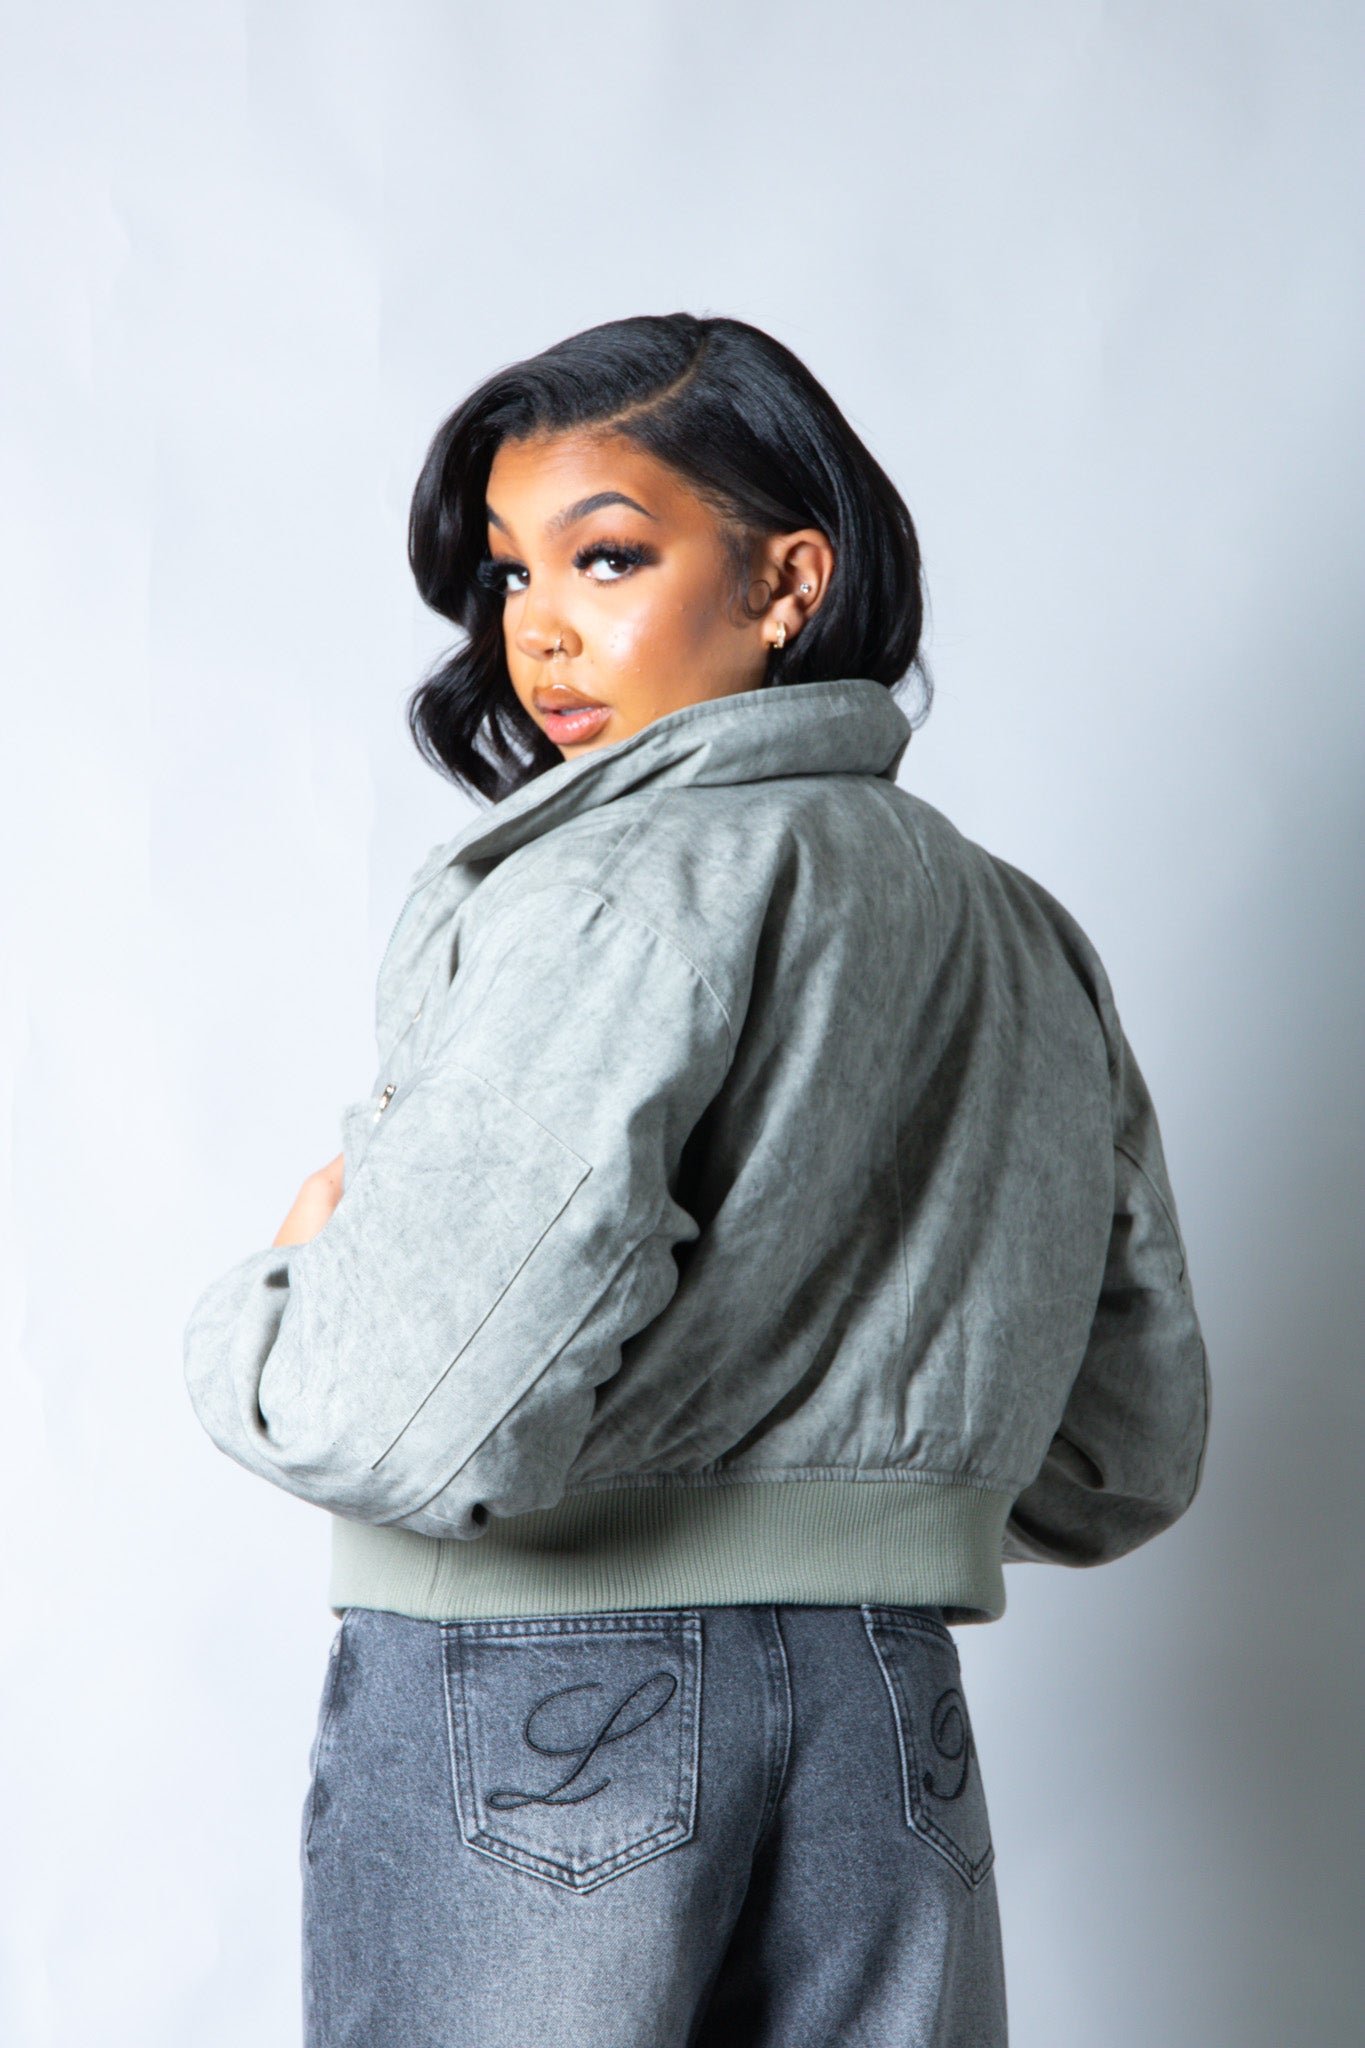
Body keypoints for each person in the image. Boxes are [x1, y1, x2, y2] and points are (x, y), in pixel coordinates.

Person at [183, 312, 1209, 2048]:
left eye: (606, 555)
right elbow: (1118, 1459)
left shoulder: (608, 893)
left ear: (787, 579)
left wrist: (269, 1310)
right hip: (883, 1693)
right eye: (508, 573)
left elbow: (398, 1419)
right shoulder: (1017, 932)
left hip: (543, 1691)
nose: (538, 629)